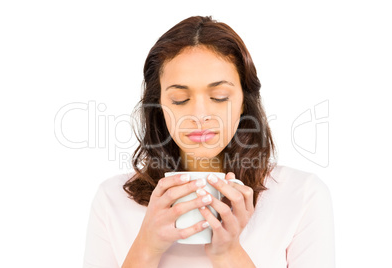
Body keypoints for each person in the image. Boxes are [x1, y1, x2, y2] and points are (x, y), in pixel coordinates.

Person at [83, 15, 335, 268]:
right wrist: (146, 247)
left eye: (219, 96)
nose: (199, 115)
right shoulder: (112, 199)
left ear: (244, 103)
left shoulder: (301, 195)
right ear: (158, 104)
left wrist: (228, 253)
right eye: (180, 99)